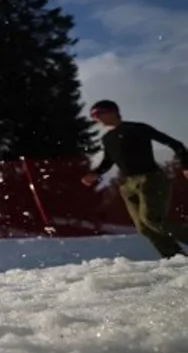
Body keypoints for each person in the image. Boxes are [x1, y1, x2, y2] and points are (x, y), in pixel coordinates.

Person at [80, 99, 188, 258]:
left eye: (97, 113)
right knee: (143, 228)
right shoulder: (108, 138)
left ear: (112, 111)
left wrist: (185, 166)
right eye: (92, 115)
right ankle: (176, 259)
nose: (95, 118)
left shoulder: (138, 128)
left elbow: (175, 144)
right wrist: (95, 173)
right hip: (127, 185)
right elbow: (108, 161)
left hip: (150, 179)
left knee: (152, 219)